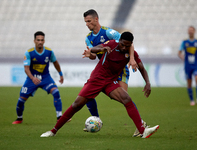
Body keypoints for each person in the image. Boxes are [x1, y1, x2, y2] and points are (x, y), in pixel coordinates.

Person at [40, 32, 159, 138]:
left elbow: (142, 68)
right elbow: (94, 49)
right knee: (77, 105)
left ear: (131, 45)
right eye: (122, 44)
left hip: (110, 82)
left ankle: (143, 131)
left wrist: (147, 82)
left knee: (126, 99)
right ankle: (53, 131)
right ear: (119, 41)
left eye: (127, 46)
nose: (124, 47)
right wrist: (101, 49)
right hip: (97, 79)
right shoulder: (112, 44)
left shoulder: (131, 54)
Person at [83, 9, 149, 137]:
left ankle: (141, 125)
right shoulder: (88, 38)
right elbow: (93, 56)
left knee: (124, 98)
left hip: (120, 69)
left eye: (89, 21)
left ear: (96, 19)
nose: (87, 24)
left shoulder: (108, 32)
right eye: (85, 22)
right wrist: (89, 55)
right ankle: (96, 119)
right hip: (105, 69)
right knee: (88, 95)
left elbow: (129, 43)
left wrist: (131, 58)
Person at [12, 31, 65, 124]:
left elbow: (55, 63)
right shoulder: (29, 53)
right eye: (38, 40)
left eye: (42, 40)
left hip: (45, 78)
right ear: (34, 41)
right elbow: (26, 69)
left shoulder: (49, 52)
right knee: (21, 100)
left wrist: (60, 74)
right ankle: (19, 118)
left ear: (44, 41)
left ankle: (59, 117)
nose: (40, 42)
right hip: (31, 79)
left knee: (56, 92)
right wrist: (32, 78)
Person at [178, 26, 197, 106]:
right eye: (189, 30)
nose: (190, 32)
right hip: (188, 66)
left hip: (195, 65)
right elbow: (179, 52)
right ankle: (192, 100)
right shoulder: (184, 42)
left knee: (196, 79)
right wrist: (183, 57)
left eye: (192, 30)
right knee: (189, 83)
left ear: (194, 31)